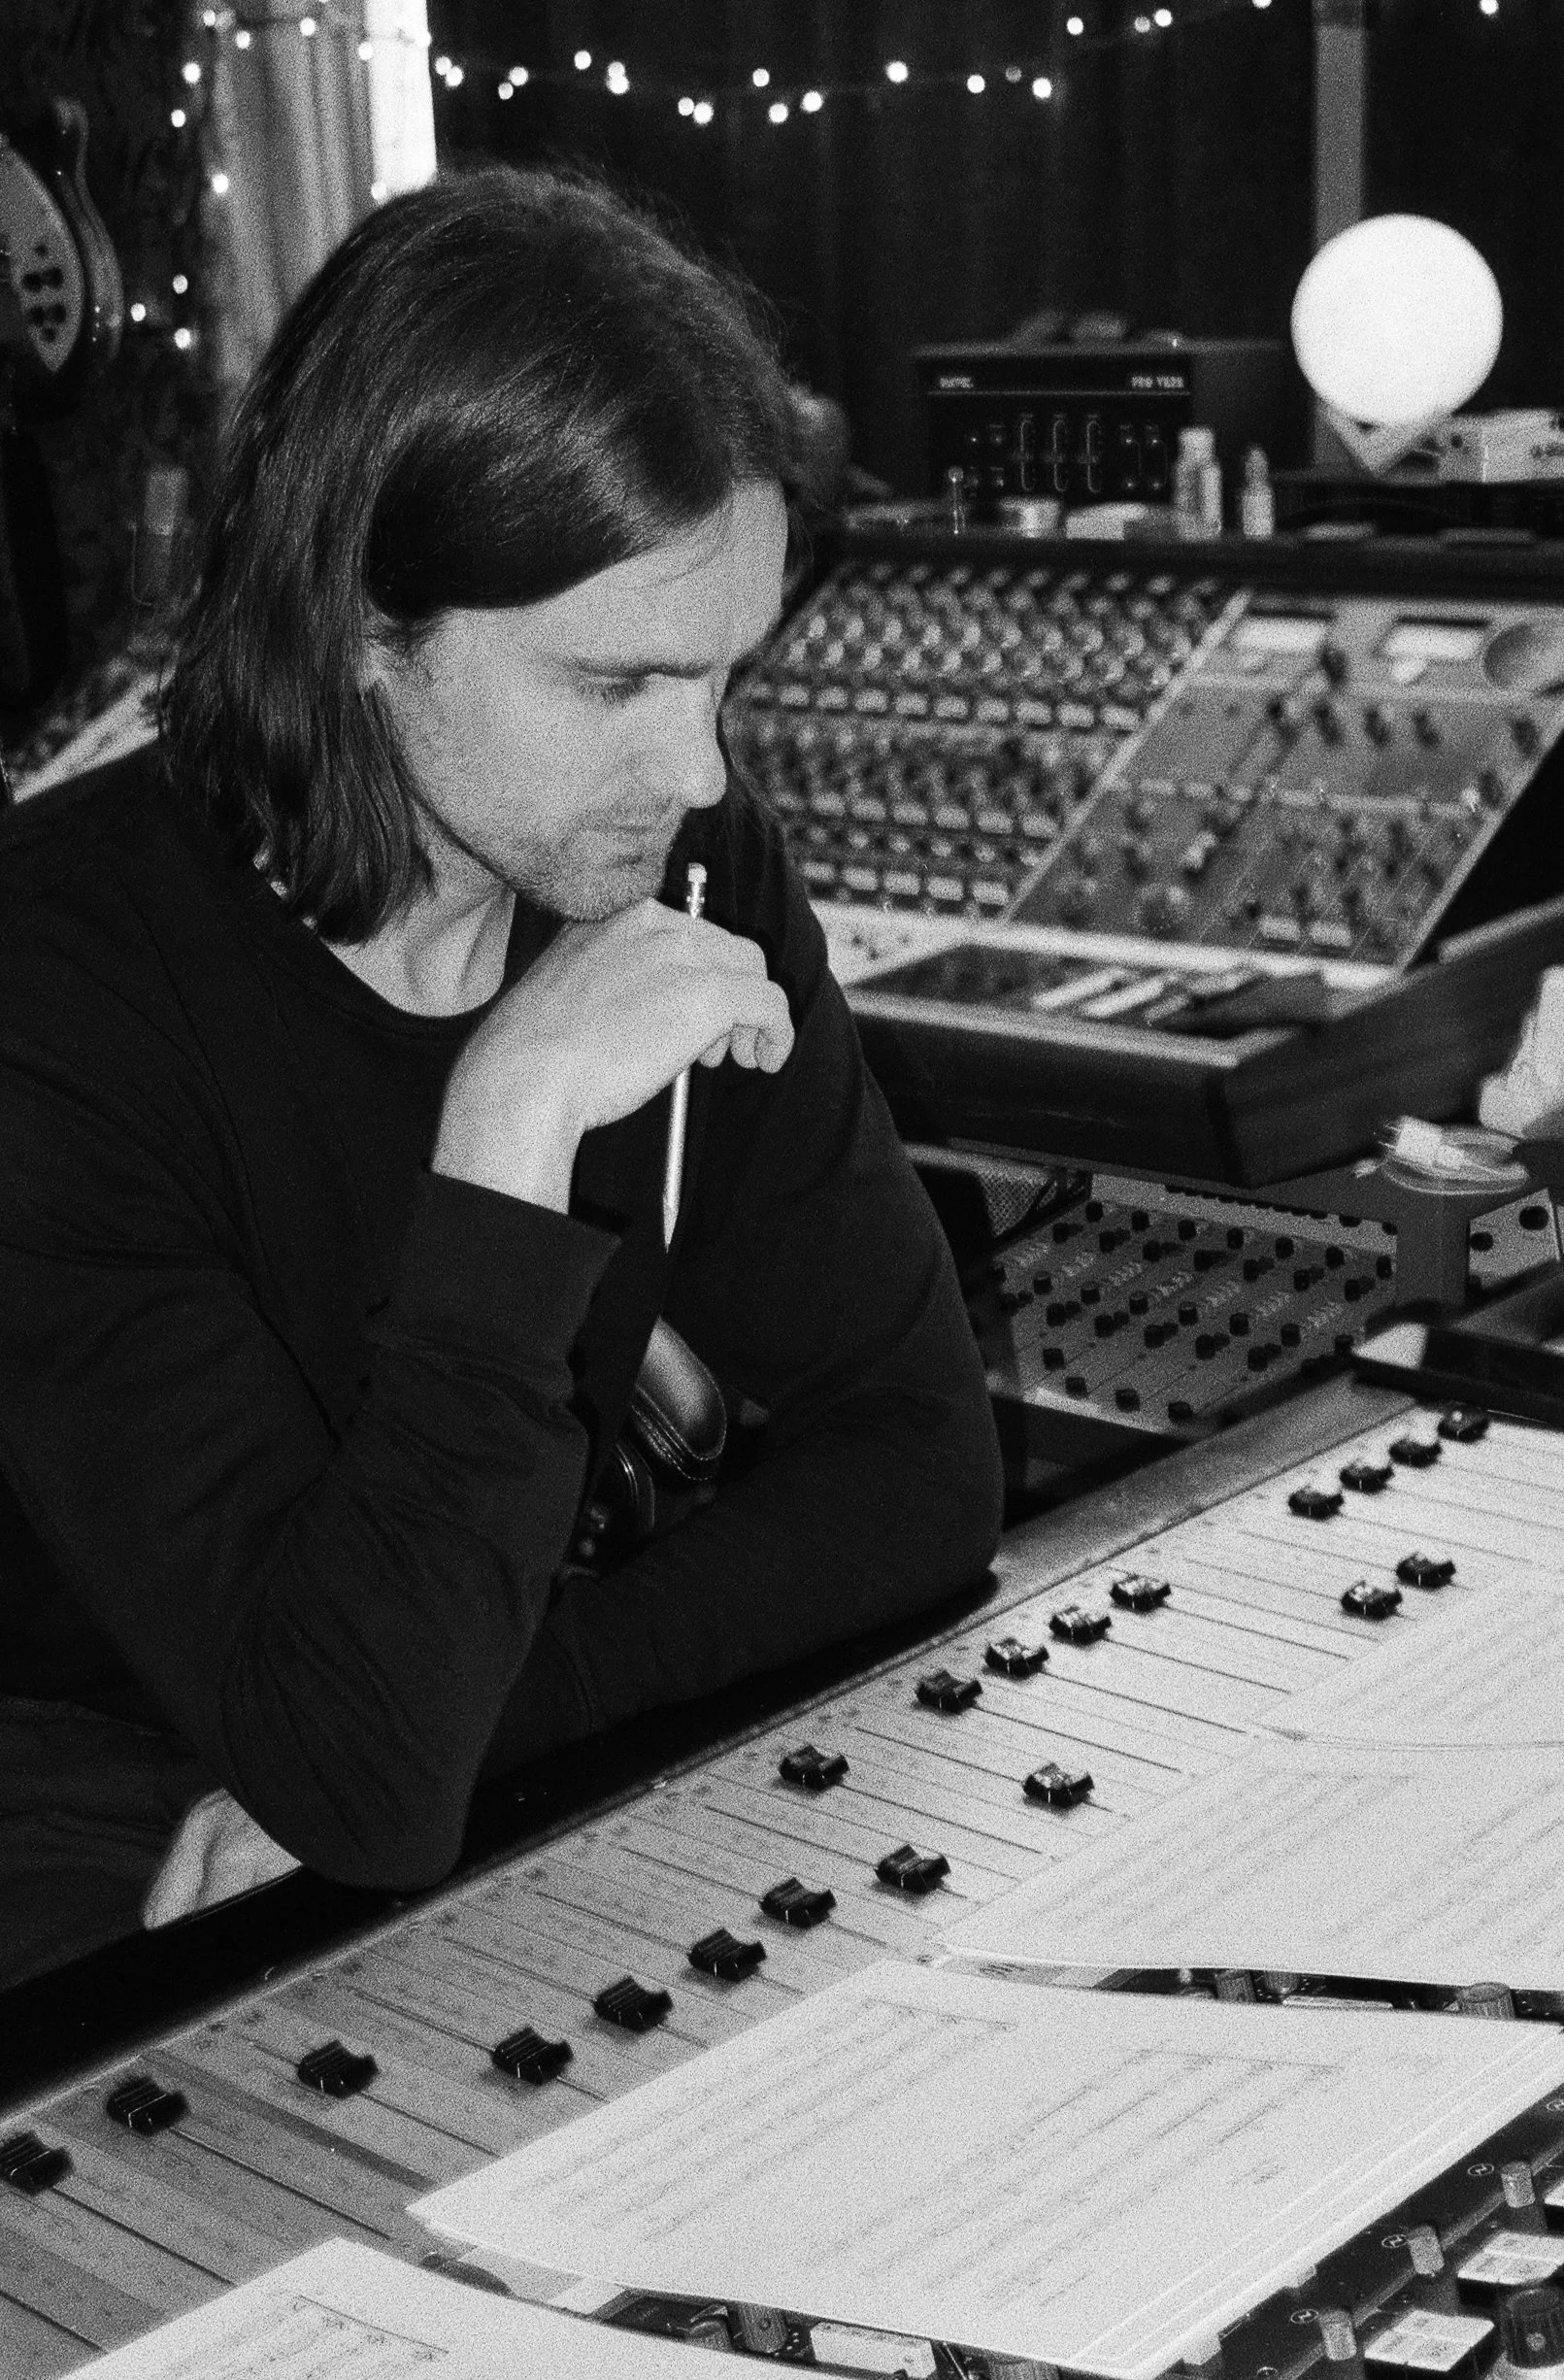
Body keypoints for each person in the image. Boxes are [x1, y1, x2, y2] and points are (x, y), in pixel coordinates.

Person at [0, 167, 1003, 1989]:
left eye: (722, 679)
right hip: (97, 1848)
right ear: (359, 626)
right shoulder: (52, 996)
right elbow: (345, 1765)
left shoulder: (678, 868)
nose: (697, 772)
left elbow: (919, 1466)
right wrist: (508, 1132)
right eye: (615, 681)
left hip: (414, 1744)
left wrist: (487, 1711)